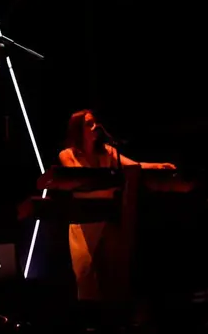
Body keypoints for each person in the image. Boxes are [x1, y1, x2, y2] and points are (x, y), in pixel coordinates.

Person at [59, 109, 175, 306]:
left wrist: (158, 166)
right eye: (89, 124)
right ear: (78, 129)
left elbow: (133, 166)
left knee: (114, 271)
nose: (95, 127)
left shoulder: (107, 151)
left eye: (95, 122)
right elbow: (79, 177)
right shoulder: (68, 154)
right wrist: (110, 179)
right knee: (85, 273)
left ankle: (115, 318)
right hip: (83, 221)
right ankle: (90, 322)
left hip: (107, 216)